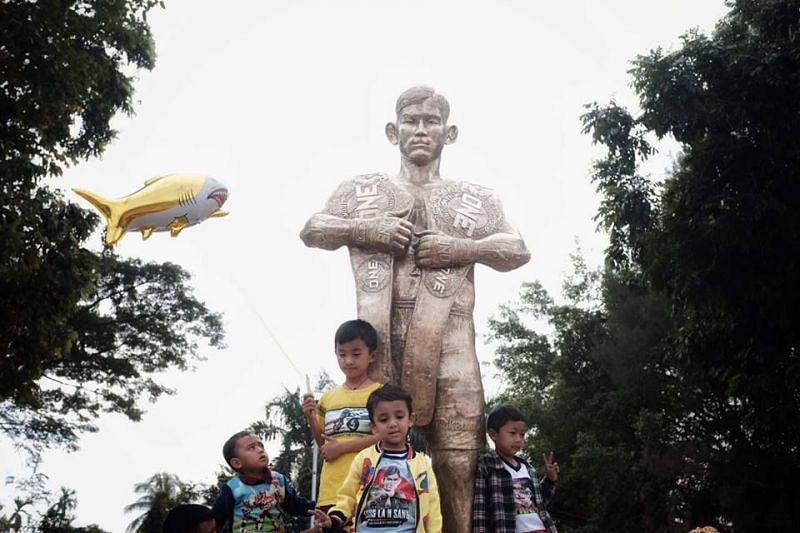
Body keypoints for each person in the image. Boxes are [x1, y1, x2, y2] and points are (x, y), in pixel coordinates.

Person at [300, 86, 530, 533]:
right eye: (411, 120)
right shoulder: (366, 191)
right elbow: (314, 228)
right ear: (393, 130)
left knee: (458, 454)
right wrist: (366, 227)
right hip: (380, 336)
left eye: (431, 121)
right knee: (373, 452)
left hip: (452, 338)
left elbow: (516, 248)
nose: (421, 129)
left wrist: (459, 248)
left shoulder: (472, 199)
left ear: (450, 132)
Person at [310, 384, 442, 532]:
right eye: (384, 419)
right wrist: (334, 519)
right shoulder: (364, 459)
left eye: (399, 417)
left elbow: (433, 509)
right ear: (373, 427)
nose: (392, 423)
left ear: (410, 420)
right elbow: (347, 497)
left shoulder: (422, 464)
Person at [301, 319, 383, 517]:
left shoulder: (381, 395)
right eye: (342, 354)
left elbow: (387, 437)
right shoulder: (328, 398)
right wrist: (311, 417)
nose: (348, 361)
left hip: (370, 489)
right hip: (331, 491)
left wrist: (343, 447)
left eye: (356, 354)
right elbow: (323, 443)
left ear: (372, 355)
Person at [472, 405, 559, 533]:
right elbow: (480, 510)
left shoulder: (528, 468)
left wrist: (550, 479)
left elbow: (540, 502)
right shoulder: (487, 465)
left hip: (542, 529)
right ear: (493, 434)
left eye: (522, 434)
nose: (519, 439)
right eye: (512, 433)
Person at [211, 431, 320, 533]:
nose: (260, 450)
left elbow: (295, 505)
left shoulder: (278, 480)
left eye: (261, 445)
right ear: (237, 463)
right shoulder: (232, 488)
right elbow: (216, 520)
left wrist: (320, 508)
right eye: (251, 448)